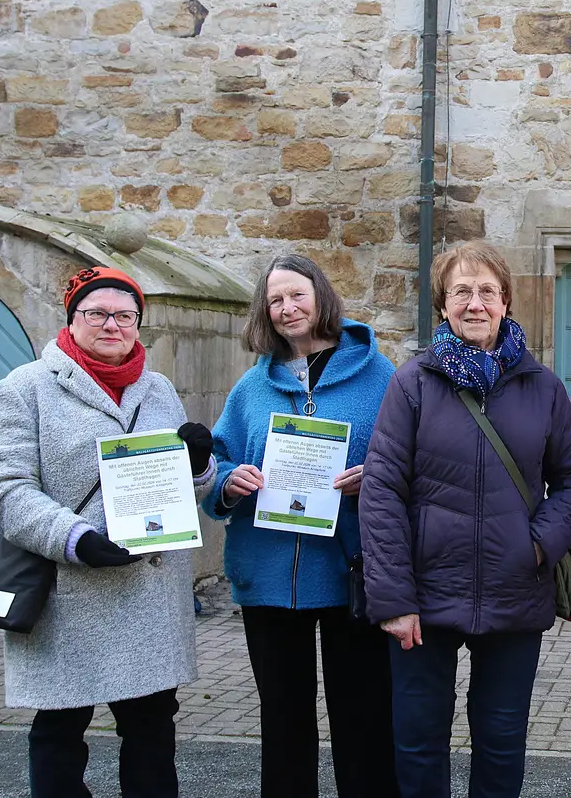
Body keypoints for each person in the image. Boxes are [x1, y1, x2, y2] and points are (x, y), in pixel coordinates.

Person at [359, 240, 571, 798]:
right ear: (442, 305)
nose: (474, 303)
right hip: (426, 589)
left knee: (502, 739)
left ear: (506, 302)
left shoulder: (543, 387)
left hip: (515, 585)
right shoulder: (413, 382)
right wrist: (393, 599)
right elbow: (383, 491)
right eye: (460, 291)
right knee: (418, 740)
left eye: (487, 291)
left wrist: (536, 546)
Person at [0, 266, 218, 798]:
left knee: (153, 732)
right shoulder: (23, 389)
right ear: (72, 318)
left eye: (125, 316)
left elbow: (177, 488)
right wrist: (76, 539)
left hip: (147, 594)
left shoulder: (156, 389)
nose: (112, 325)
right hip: (70, 596)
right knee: (61, 734)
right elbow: (5, 491)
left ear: (137, 324)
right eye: (97, 313)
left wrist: (198, 466)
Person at [203, 254, 400, 798]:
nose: (288, 308)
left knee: (364, 721)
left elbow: (411, 461)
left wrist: (376, 477)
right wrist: (227, 482)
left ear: (322, 298)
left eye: (297, 296)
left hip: (352, 575)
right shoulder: (251, 387)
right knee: (283, 722)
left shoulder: (379, 376)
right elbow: (214, 465)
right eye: (275, 301)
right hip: (266, 577)